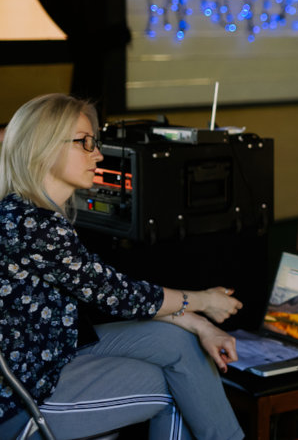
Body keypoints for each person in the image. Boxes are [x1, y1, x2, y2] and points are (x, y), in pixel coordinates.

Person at [0, 94, 245, 440]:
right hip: (25, 393)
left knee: (180, 344)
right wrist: (204, 301)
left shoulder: (24, 212)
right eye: (85, 143)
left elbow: (110, 293)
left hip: (52, 353)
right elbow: (120, 296)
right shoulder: (35, 226)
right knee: (180, 387)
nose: (98, 155)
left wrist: (197, 324)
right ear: (43, 147)